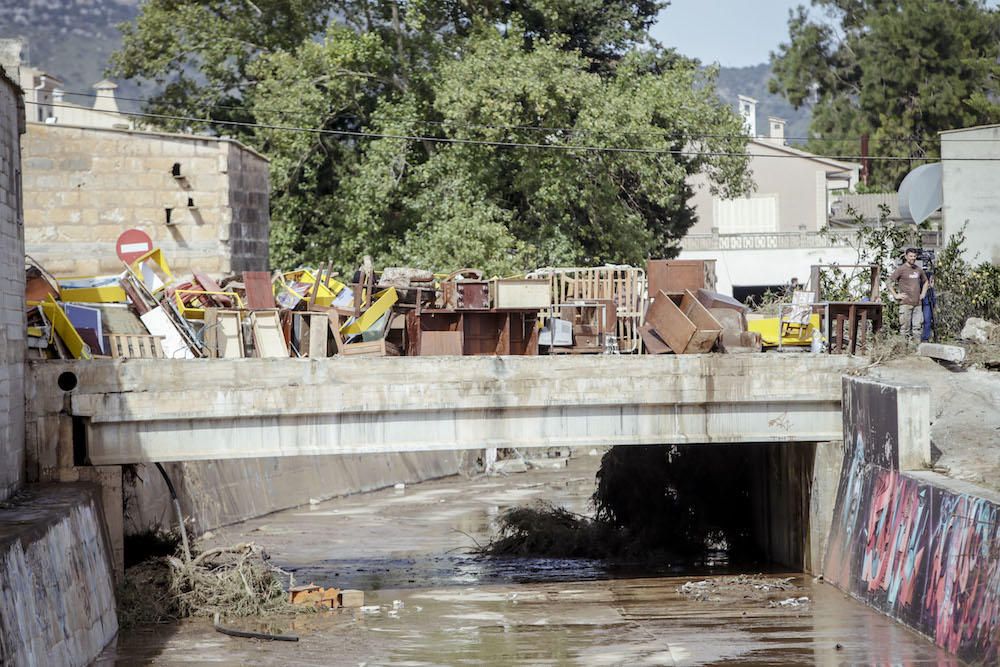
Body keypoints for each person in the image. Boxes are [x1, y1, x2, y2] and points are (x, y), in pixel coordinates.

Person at [888, 248, 929, 339]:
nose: (913, 258)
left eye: (914, 256)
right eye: (910, 256)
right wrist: (895, 295)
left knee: (917, 329)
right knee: (905, 329)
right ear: (906, 257)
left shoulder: (918, 270)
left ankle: (916, 350)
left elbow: (926, 281)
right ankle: (904, 351)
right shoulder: (901, 269)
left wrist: (923, 294)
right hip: (905, 304)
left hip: (917, 304)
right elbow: (889, 282)